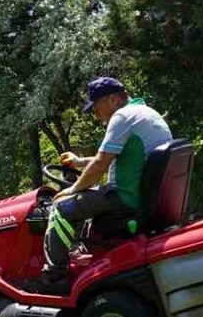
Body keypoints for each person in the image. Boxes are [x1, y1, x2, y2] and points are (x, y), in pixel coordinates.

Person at [35, 77, 172, 293]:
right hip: (143, 196)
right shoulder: (146, 113)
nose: (96, 115)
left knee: (60, 208)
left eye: (96, 107)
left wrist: (71, 190)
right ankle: (82, 254)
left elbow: (100, 165)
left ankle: (55, 277)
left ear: (112, 100)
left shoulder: (122, 117)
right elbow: (112, 157)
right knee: (86, 201)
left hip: (125, 197)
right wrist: (79, 162)